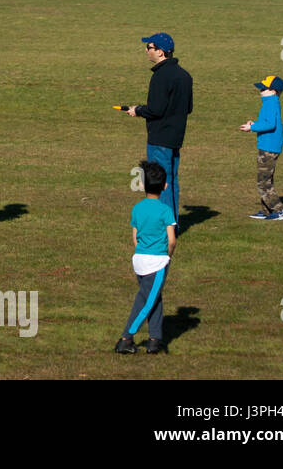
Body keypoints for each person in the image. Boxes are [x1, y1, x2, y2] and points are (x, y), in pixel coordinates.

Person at [124, 33, 193, 224]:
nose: (147, 50)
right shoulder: (185, 76)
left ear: (160, 52)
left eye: (150, 47)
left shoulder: (160, 76)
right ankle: (173, 224)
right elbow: (188, 108)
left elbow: (156, 109)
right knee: (172, 182)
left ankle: (164, 226)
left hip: (159, 138)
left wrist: (137, 110)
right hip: (176, 137)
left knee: (160, 183)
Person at [115, 160, 177, 355]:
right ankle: (126, 338)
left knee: (154, 297)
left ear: (142, 185)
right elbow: (172, 239)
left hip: (139, 260)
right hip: (157, 262)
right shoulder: (166, 210)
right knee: (145, 301)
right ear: (165, 186)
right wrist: (168, 256)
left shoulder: (137, 208)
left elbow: (135, 237)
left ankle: (155, 339)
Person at [239, 75, 283, 220]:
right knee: (266, 180)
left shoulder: (270, 103)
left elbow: (270, 124)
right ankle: (267, 211)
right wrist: (254, 124)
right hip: (269, 145)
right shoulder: (270, 102)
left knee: (263, 183)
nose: (260, 90)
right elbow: (267, 121)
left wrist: (252, 128)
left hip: (269, 147)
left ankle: (279, 211)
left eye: (264, 88)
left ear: (273, 91)